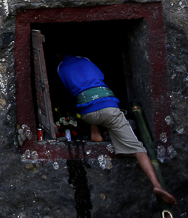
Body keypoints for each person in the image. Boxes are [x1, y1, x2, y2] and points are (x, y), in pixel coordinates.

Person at [56, 55, 176, 205]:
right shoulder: (87, 60)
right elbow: (101, 77)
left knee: (90, 109)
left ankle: (95, 132)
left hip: (87, 113)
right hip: (109, 106)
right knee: (138, 149)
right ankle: (157, 185)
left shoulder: (61, 67)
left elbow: (66, 90)